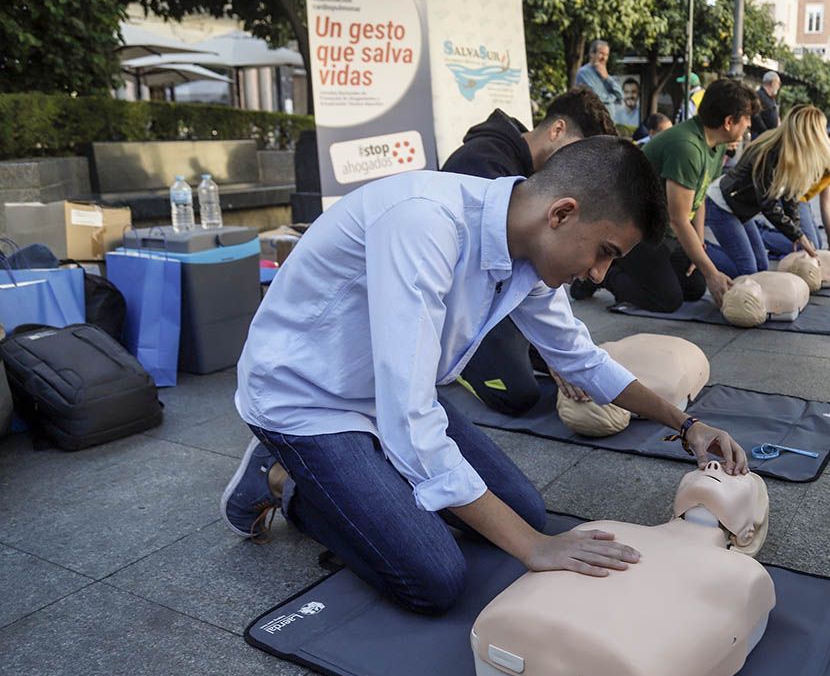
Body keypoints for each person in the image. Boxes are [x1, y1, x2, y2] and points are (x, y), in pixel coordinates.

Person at [221, 137, 750, 616]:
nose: (598, 274)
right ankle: (280, 478)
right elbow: (410, 419)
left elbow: (580, 358)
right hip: (306, 401)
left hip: (383, 396)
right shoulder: (424, 223)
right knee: (434, 578)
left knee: (524, 510)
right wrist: (533, 549)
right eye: (605, 252)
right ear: (562, 213)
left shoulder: (528, 249)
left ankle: (365, 472)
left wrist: (687, 426)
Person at [442, 87, 615, 417]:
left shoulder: (536, 171)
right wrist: (556, 355)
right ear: (557, 130)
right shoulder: (481, 164)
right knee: (518, 394)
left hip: (502, 290)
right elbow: (516, 267)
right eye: (577, 157)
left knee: (570, 354)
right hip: (463, 300)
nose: (579, 173)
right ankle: (456, 362)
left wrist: (564, 352)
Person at [577, 78, 757, 312]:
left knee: (694, 288)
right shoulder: (687, 147)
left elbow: (699, 197)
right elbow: (679, 219)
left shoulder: (716, 144)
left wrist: (700, 247)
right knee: (667, 300)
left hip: (666, 233)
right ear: (729, 121)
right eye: (747, 119)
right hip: (637, 231)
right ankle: (608, 271)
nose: (749, 125)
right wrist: (711, 272)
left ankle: (637, 269)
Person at [705, 105, 830, 277]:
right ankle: (695, 251)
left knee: (761, 266)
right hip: (721, 205)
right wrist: (798, 236)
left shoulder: (790, 154)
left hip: (741, 208)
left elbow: (790, 198)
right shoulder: (769, 152)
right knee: (747, 270)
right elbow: (768, 203)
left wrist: (797, 234)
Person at [574, 39, 624, 120]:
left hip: (609, 122)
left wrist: (606, 78)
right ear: (592, 54)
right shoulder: (583, 73)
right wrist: (612, 98)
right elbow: (596, 98)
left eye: (606, 55)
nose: (604, 58)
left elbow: (620, 96)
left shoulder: (606, 74)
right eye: (601, 53)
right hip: (592, 122)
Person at [750, 71, 781, 139]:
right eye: (778, 83)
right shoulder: (758, 95)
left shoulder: (771, 98)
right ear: (773, 83)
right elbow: (755, 116)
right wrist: (766, 132)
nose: (779, 86)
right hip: (760, 137)